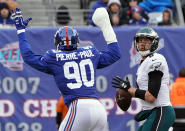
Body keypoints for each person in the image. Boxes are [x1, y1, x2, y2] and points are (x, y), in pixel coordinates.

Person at [11, 7, 121, 131]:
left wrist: (21, 31)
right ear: (77, 41)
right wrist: (106, 26)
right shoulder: (91, 52)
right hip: (99, 109)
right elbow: (115, 54)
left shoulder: (54, 57)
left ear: (57, 43)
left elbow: (28, 57)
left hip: (79, 108)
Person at [112, 27, 175, 131]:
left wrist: (129, 88)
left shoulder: (156, 59)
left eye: (147, 41)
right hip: (154, 112)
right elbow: (143, 93)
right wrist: (127, 93)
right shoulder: (143, 63)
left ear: (154, 43)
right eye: (140, 41)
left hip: (162, 111)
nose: (142, 43)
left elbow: (151, 97)